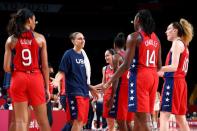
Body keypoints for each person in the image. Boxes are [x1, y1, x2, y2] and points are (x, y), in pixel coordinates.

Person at [104, 9, 162, 131]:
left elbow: (126, 65)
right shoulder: (156, 39)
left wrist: (110, 80)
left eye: (134, 19)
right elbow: (159, 65)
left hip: (140, 77)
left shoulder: (134, 36)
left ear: (138, 20)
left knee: (144, 119)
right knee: (138, 117)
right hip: (153, 77)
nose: (133, 22)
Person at [3, 8, 51, 131]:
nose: (35, 23)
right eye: (34, 20)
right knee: (43, 121)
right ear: (29, 20)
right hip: (35, 77)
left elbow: (6, 68)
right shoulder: (40, 38)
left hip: (18, 78)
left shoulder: (11, 40)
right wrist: (46, 87)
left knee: (20, 121)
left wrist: (19, 71)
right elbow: (45, 67)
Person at [52, 32, 98, 131]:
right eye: (79, 39)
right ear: (73, 41)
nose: (83, 40)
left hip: (84, 92)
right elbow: (61, 72)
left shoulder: (84, 56)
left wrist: (90, 88)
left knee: (79, 122)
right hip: (74, 93)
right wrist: (56, 80)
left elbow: (84, 78)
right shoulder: (68, 54)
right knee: (78, 121)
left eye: (83, 38)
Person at [158, 18, 194, 131]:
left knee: (164, 115)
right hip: (180, 83)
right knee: (180, 117)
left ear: (175, 30)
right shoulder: (184, 45)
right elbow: (174, 71)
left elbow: (173, 67)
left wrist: (156, 68)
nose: (166, 32)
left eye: (168, 29)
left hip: (173, 83)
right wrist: (153, 72)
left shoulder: (177, 43)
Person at [107, 33, 134, 131]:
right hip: (131, 89)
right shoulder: (130, 55)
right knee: (128, 121)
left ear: (114, 45)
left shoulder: (116, 57)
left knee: (120, 120)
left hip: (122, 88)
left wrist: (112, 96)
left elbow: (116, 78)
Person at [93, 49, 116, 131]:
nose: (106, 57)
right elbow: (103, 84)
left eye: (107, 55)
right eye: (105, 56)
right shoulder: (105, 69)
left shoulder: (119, 67)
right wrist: (93, 87)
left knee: (120, 122)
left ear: (113, 56)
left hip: (117, 96)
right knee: (110, 123)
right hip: (107, 97)